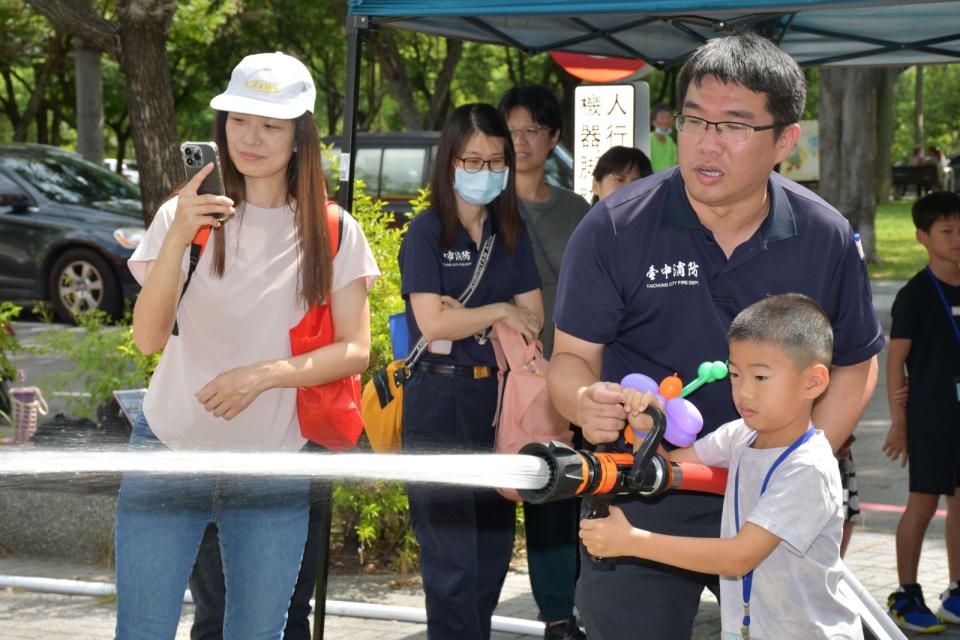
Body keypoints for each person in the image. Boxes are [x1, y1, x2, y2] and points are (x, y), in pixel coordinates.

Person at [547, 31, 883, 639]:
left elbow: (857, 363)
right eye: (694, 120)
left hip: (773, 501)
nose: (707, 142)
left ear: (785, 140)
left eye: (733, 126)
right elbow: (571, 357)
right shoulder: (615, 228)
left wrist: (793, 464)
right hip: (648, 486)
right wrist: (581, 401)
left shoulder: (823, 235)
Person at [119, 51, 379, 639]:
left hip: (271, 468)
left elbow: (355, 350)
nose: (250, 137)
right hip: (166, 448)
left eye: (271, 124)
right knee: (141, 629)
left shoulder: (333, 228)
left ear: (300, 135)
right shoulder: (182, 217)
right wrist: (182, 230)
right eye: (239, 119)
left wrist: (263, 374)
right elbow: (146, 338)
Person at [581, 293, 863, 640]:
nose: (743, 392)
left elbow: (737, 557)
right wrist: (643, 427)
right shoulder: (740, 435)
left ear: (813, 381)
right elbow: (662, 471)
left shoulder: (808, 468)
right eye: (734, 374)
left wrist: (631, 541)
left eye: (760, 378)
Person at [399, 102, 543, 640]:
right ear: (450, 161)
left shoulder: (510, 229)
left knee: (491, 550)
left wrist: (474, 318)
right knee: (451, 558)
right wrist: (499, 310)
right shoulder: (427, 231)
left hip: (498, 404)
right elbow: (433, 324)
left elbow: (536, 317)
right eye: (473, 160)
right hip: (438, 402)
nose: (485, 172)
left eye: (495, 161)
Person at [498, 85, 588, 640]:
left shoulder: (576, 209)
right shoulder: (485, 206)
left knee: (570, 489)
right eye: (511, 130)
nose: (521, 141)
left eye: (533, 130)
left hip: (575, 372)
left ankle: (578, 606)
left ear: (553, 138)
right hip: (511, 379)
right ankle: (556, 612)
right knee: (537, 489)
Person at [882, 190, 960, 633]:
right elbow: (896, 362)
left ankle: (956, 588)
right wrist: (899, 421)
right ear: (922, 237)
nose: (957, 238)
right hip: (931, 417)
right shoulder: (915, 294)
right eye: (947, 231)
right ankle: (907, 592)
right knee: (923, 502)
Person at [649, 104, 679, 172]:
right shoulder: (648, 140)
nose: (666, 121)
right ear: (653, 121)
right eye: (662, 117)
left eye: (668, 117)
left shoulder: (670, 141)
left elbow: (675, 164)